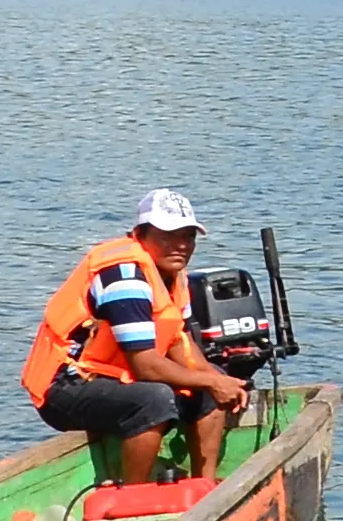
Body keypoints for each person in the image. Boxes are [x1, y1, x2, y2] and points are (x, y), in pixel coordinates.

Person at [18, 189, 251, 481]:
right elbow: (146, 365)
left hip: (113, 376)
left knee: (209, 382)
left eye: (188, 236)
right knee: (153, 400)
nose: (181, 245)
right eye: (168, 236)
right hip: (64, 387)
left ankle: (204, 487)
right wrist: (212, 382)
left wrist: (219, 380)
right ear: (140, 234)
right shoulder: (123, 276)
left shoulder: (173, 273)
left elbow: (179, 341)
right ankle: (133, 501)